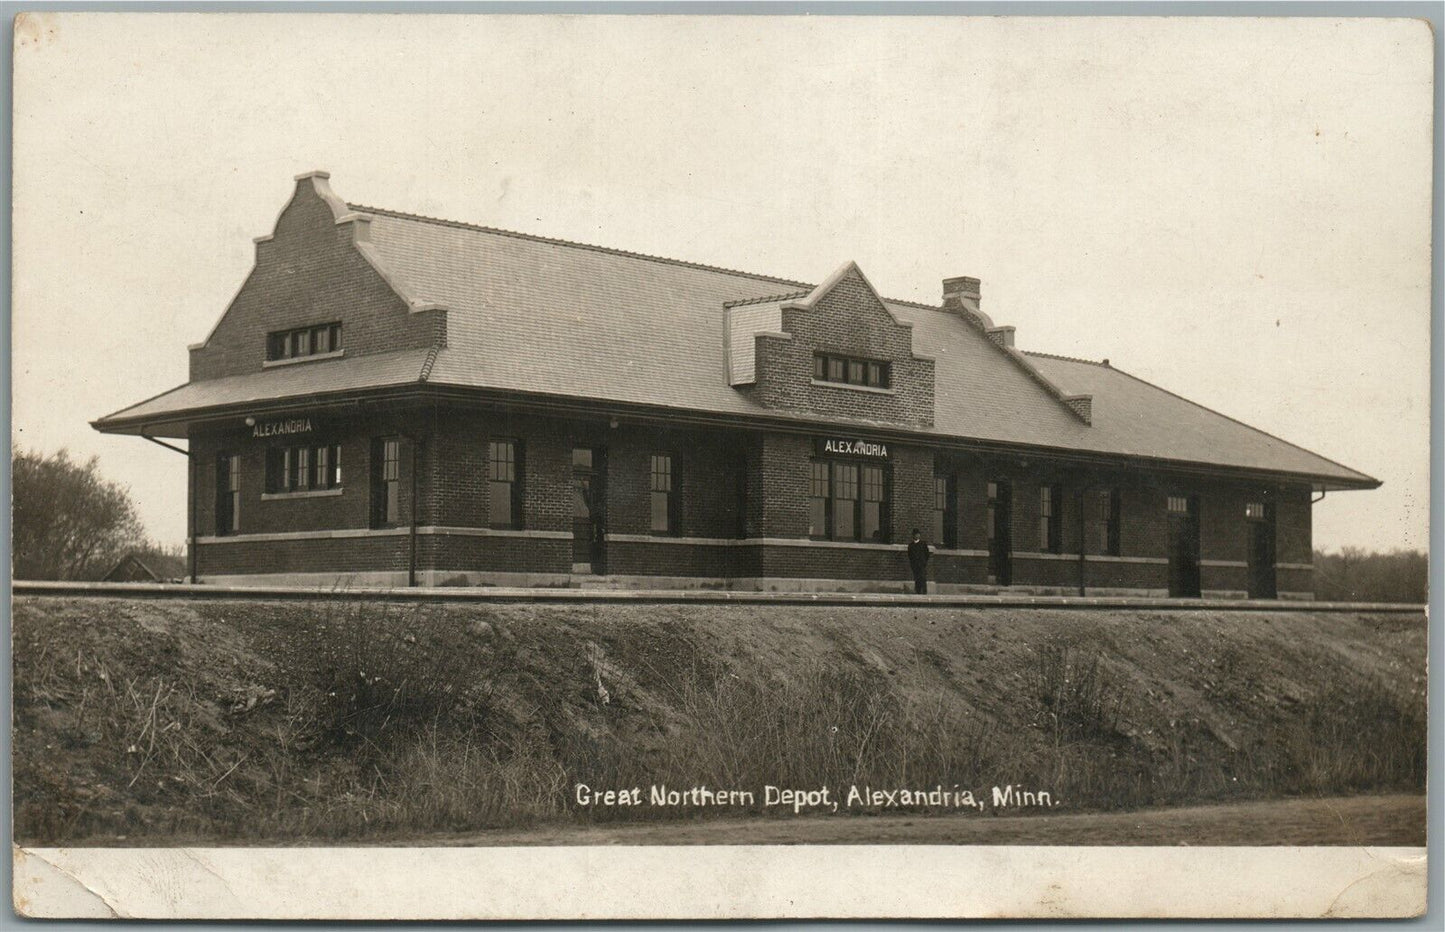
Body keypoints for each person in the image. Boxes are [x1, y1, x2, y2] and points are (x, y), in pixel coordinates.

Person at [907, 528, 931, 595]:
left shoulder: (923, 544)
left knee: (923, 578)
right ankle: (918, 592)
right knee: (917, 578)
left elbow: (927, 554)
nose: (917, 536)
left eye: (918, 534)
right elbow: (910, 556)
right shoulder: (911, 546)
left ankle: (924, 592)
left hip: (922, 564)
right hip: (915, 565)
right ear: (913, 535)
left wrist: (924, 562)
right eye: (915, 534)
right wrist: (912, 564)